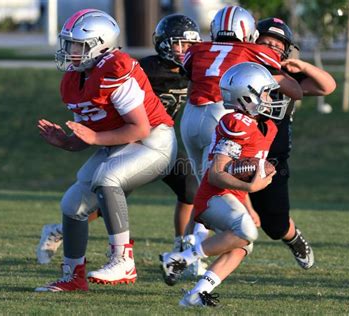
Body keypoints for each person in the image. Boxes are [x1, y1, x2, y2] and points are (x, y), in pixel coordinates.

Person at [35, 14, 201, 265]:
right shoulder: (141, 69)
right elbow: (91, 126)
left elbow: (139, 126)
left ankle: (181, 250)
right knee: (99, 196)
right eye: (178, 44)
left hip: (153, 139)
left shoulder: (121, 68)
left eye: (188, 46)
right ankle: (66, 238)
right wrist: (68, 142)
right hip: (124, 139)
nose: (182, 51)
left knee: (189, 189)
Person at [178, 5, 303, 275]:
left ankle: (187, 250)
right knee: (215, 183)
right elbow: (288, 87)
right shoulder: (256, 51)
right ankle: (195, 254)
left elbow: (191, 81)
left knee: (202, 186)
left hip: (190, 116)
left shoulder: (197, 50)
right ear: (248, 31)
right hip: (221, 111)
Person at [160, 62, 286, 307]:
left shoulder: (267, 127)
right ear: (247, 96)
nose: (271, 98)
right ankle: (180, 258)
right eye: (266, 93)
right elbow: (216, 174)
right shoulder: (236, 123)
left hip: (232, 198)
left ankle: (197, 293)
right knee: (246, 232)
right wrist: (251, 188)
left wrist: (248, 204)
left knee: (243, 245)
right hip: (213, 196)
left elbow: (243, 172)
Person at [250, 18, 336, 269]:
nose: (270, 50)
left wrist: (303, 66)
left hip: (272, 163)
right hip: (235, 155)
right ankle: (188, 251)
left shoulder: (289, 76)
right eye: (265, 43)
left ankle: (294, 238)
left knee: (275, 225)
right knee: (210, 206)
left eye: (277, 46)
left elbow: (327, 86)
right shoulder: (239, 70)